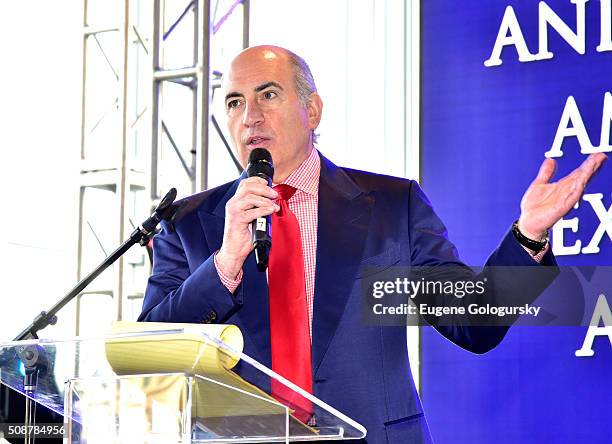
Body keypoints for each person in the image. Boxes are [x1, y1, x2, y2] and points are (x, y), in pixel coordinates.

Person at [139, 45, 606, 443]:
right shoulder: (190, 223)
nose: (250, 116)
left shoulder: (388, 205)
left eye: (268, 94)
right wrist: (224, 263)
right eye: (235, 102)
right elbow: (153, 355)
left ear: (313, 109)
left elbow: (472, 322)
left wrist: (528, 233)